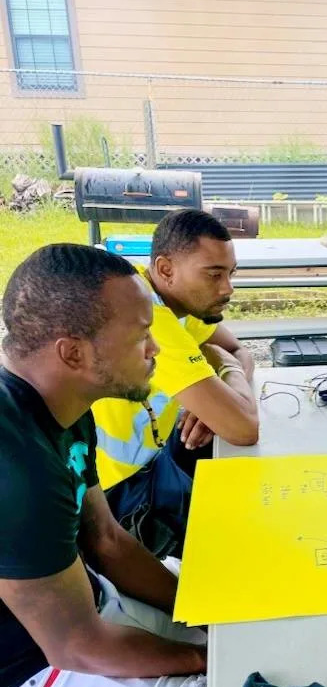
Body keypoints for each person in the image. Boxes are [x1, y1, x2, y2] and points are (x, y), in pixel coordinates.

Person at [0, 244, 207, 687]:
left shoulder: (64, 406)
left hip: (87, 606)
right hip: (31, 675)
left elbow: (107, 541)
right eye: (141, 336)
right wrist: (205, 659)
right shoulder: (18, 471)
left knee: (237, 598)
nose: (155, 350)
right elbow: (77, 646)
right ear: (73, 352)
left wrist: (200, 610)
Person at [93, 209, 259, 555]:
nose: (228, 288)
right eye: (213, 275)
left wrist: (218, 394)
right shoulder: (148, 317)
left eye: (230, 273)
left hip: (159, 458)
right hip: (125, 499)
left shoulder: (173, 301)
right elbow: (243, 428)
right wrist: (224, 376)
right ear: (166, 270)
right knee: (251, 532)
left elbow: (239, 349)